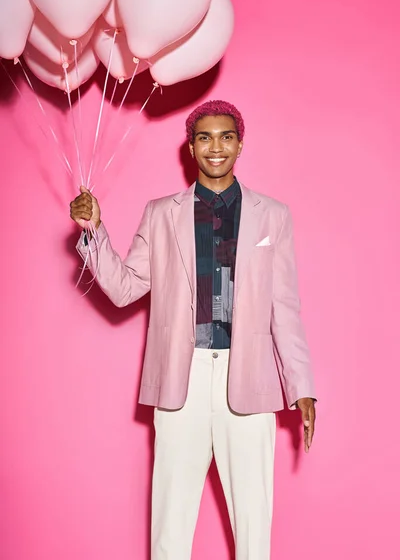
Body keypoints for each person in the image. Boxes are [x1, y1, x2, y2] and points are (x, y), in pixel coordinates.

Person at [70, 100, 316, 560]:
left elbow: (285, 307)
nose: (215, 146)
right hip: (180, 380)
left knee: (253, 523)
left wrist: (301, 387)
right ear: (191, 147)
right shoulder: (161, 213)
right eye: (204, 137)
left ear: (240, 143)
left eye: (225, 136)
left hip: (250, 381)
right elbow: (125, 288)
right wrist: (93, 232)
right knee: (170, 520)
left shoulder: (273, 216)